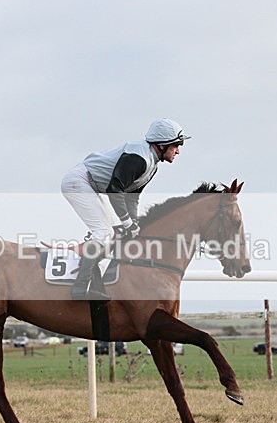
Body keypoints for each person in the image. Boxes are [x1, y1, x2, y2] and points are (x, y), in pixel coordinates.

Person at [61, 118, 191, 300]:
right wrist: (128, 223)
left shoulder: (152, 165)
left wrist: (134, 223)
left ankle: (96, 282)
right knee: (103, 233)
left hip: (93, 186)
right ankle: (80, 288)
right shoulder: (139, 159)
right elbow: (114, 190)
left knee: (113, 233)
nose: (178, 151)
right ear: (162, 145)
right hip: (79, 182)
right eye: (176, 145)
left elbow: (132, 198)